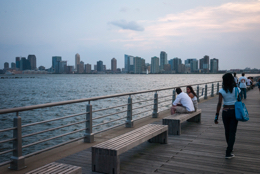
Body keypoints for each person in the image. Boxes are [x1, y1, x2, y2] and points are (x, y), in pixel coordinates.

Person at [215, 73, 240, 159]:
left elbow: (219, 103)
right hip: (234, 112)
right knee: (232, 132)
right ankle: (228, 151)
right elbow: (239, 100)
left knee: (227, 131)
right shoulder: (237, 89)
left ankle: (229, 147)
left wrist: (216, 115)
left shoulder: (222, 90)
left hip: (225, 112)